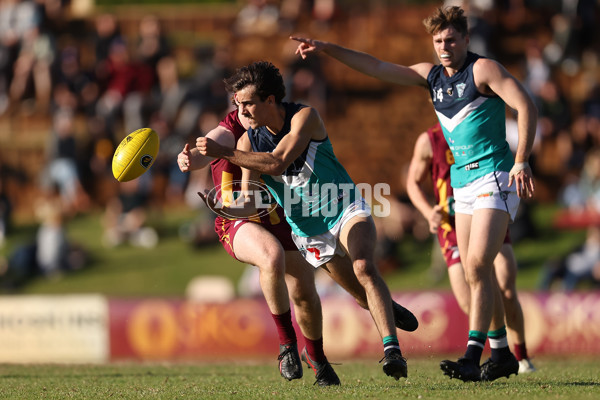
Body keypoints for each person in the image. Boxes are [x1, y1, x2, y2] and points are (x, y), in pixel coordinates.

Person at [291, 5, 537, 382]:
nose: (444, 46)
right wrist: (328, 48)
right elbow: (375, 66)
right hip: (462, 186)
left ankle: (474, 354)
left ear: (466, 39)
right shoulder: (431, 76)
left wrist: (520, 161)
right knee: (475, 273)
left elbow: (526, 105)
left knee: (476, 265)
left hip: (494, 177)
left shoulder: (483, 69)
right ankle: (501, 352)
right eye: (438, 40)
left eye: (451, 39)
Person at [196, 61, 415, 381]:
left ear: (270, 100)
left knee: (364, 266)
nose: (241, 111)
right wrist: (225, 210)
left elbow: (278, 161)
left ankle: (392, 351)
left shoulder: (304, 117)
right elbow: (248, 200)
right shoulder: (246, 143)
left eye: (248, 103)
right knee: (358, 292)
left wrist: (224, 153)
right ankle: (385, 305)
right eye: (237, 104)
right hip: (309, 230)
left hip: (344, 208)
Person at [406, 123, 536, 374]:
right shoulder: (429, 140)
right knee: (471, 297)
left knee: (506, 286)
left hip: (488, 208)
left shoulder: (479, 124)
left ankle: (520, 357)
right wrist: (426, 211)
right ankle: (500, 352)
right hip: (452, 226)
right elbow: (412, 182)